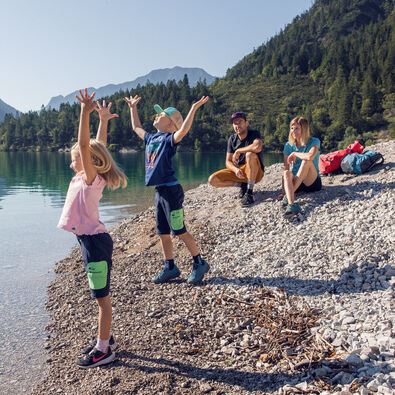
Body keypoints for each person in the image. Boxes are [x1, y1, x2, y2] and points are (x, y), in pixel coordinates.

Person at [57, 89, 127, 368]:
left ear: (89, 163)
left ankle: (104, 349)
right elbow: (99, 146)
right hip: (90, 242)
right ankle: (106, 339)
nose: (72, 162)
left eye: (75, 159)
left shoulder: (89, 177)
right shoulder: (86, 175)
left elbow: (86, 146)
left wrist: (85, 112)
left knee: (102, 300)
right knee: (100, 297)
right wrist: (104, 121)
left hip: (95, 244)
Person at [124, 94, 210, 285]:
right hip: (160, 192)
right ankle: (170, 266)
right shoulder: (151, 138)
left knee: (178, 229)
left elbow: (184, 129)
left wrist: (193, 108)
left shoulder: (169, 139)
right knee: (162, 232)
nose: (156, 116)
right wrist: (132, 108)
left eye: (161, 114)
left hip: (172, 192)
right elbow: (136, 127)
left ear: (171, 124)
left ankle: (199, 262)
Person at [208, 112, 264, 207]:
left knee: (249, 154)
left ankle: (249, 192)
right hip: (240, 173)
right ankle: (242, 185)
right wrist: (235, 169)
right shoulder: (232, 139)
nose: (237, 125)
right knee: (212, 179)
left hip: (256, 172)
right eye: (235, 123)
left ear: (246, 123)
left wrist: (238, 151)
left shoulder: (254, 134)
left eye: (240, 122)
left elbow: (257, 147)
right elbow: (228, 161)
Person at [281, 116, 322, 218]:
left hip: (311, 182)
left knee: (306, 161)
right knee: (286, 173)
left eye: (297, 128)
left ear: (304, 129)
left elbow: (310, 156)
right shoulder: (288, 145)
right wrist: (283, 191)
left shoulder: (314, 141)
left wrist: (295, 153)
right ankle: (290, 202)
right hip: (297, 183)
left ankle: (290, 200)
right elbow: (286, 168)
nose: (293, 131)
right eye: (292, 128)